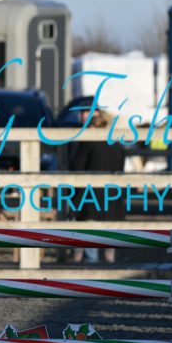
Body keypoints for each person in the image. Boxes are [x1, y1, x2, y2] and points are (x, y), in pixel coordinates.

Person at [65, 109, 126, 264]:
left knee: (89, 245)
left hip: (90, 200)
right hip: (112, 200)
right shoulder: (117, 145)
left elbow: (76, 166)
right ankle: (110, 272)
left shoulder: (88, 143)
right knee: (109, 248)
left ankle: (88, 271)